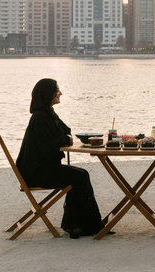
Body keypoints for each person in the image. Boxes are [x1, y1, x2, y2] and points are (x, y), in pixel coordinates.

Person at [16, 78, 107, 239]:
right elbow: (48, 147)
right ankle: (82, 225)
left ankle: (84, 224)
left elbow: (66, 131)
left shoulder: (48, 114)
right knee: (78, 177)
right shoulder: (39, 118)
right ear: (47, 94)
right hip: (35, 173)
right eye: (57, 90)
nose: (60, 93)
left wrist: (65, 137)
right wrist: (66, 139)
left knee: (82, 174)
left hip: (43, 168)